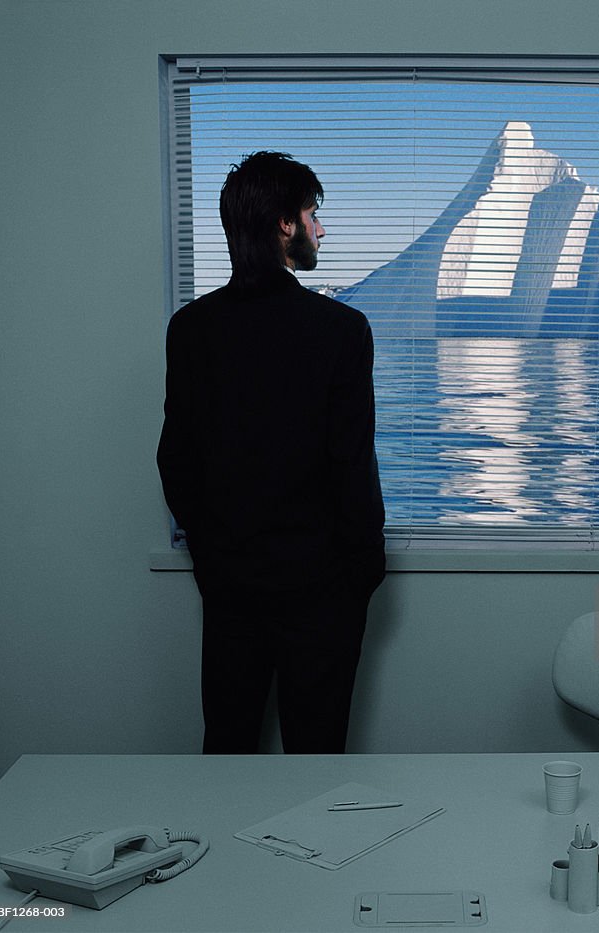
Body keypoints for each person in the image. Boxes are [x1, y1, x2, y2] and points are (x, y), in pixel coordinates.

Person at [156, 151, 386, 754]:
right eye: (313, 213)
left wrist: (212, 556)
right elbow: (350, 466)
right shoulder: (340, 329)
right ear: (285, 224)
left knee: (228, 751)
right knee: (317, 760)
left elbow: (175, 460)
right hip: (322, 591)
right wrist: (363, 572)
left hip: (232, 587)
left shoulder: (192, 328)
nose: (321, 229)